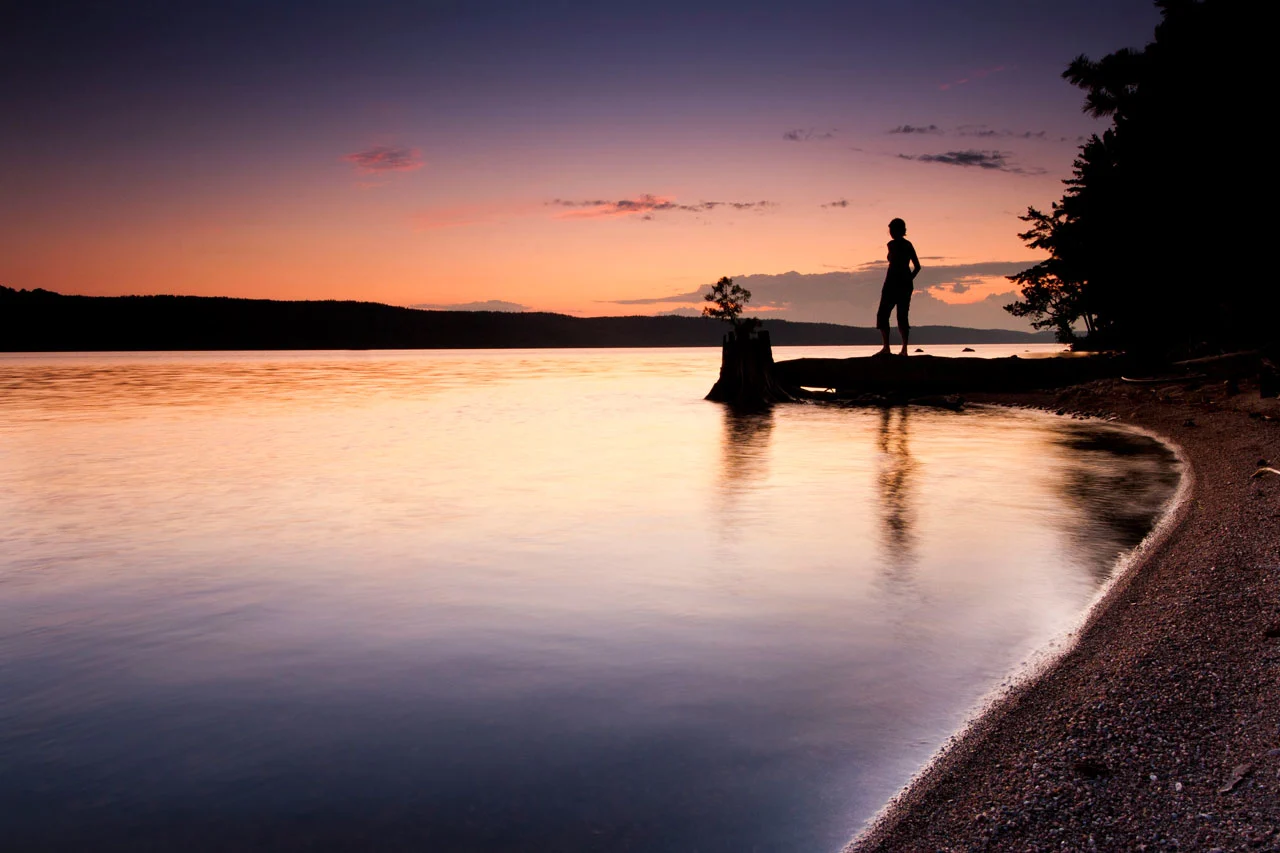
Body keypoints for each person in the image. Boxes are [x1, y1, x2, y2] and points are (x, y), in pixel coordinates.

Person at [876, 218, 921, 356]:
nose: (890, 232)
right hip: (890, 282)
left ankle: (904, 349)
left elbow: (917, 266)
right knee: (883, 315)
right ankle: (886, 347)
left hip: (902, 284)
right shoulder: (890, 244)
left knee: (902, 316)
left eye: (892, 230)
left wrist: (908, 280)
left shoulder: (907, 245)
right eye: (890, 230)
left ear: (899, 230)